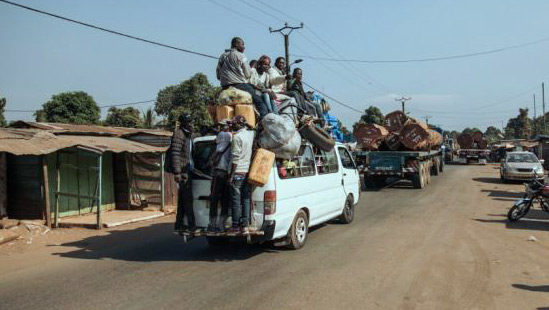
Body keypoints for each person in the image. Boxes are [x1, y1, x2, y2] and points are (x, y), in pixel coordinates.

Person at [216, 37, 270, 118]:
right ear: (236, 44)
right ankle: (263, 122)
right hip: (239, 85)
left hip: (224, 87)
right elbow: (248, 74)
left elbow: (218, 76)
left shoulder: (222, 56)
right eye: (242, 44)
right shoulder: (241, 55)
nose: (244, 47)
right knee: (259, 101)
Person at [228, 115, 255, 233]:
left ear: (239, 124)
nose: (232, 125)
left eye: (234, 123)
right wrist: (247, 123)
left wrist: (231, 175)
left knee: (236, 201)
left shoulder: (237, 137)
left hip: (238, 172)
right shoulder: (250, 134)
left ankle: (235, 225)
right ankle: (245, 225)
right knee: (245, 199)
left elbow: (235, 158)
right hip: (247, 171)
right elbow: (255, 128)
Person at [171, 114, 196, 233]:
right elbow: (175, 154)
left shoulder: (187, 134)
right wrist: (177, 172)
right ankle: (192, 225)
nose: (191, 123)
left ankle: (179, 224)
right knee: (187, 199)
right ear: (184, 123)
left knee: (182, 199)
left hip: (188, 170)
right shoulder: (179, 134)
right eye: (189, 122)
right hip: (183, 172)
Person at [207, 119, 233, 232]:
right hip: (227, 172)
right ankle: (222, 224)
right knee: (225, 199)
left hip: (218, 171)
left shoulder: (222, 135)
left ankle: (212, 224)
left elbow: (217, 146)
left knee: (214, 198)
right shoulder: (232, 137)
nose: (220, 128)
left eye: (222, 126)